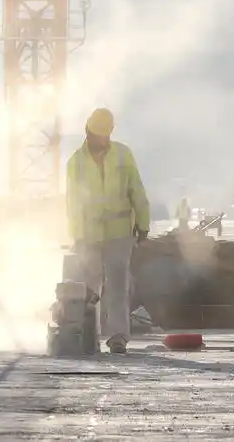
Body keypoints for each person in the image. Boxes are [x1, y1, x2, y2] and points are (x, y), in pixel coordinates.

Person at [66, 107, 150, 354]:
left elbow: (137, 189)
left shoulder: (123, 155)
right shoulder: (76, 162)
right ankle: (88, 335)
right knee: (90, 287)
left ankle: (117, 338)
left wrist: (143, 223)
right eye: (96, 135)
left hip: (119, 233)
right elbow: (72, 203)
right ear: (87, 131)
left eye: (103, 135)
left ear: (110, 132)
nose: (99, 140)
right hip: (89, 234)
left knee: (117, 285)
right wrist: (77, 236)